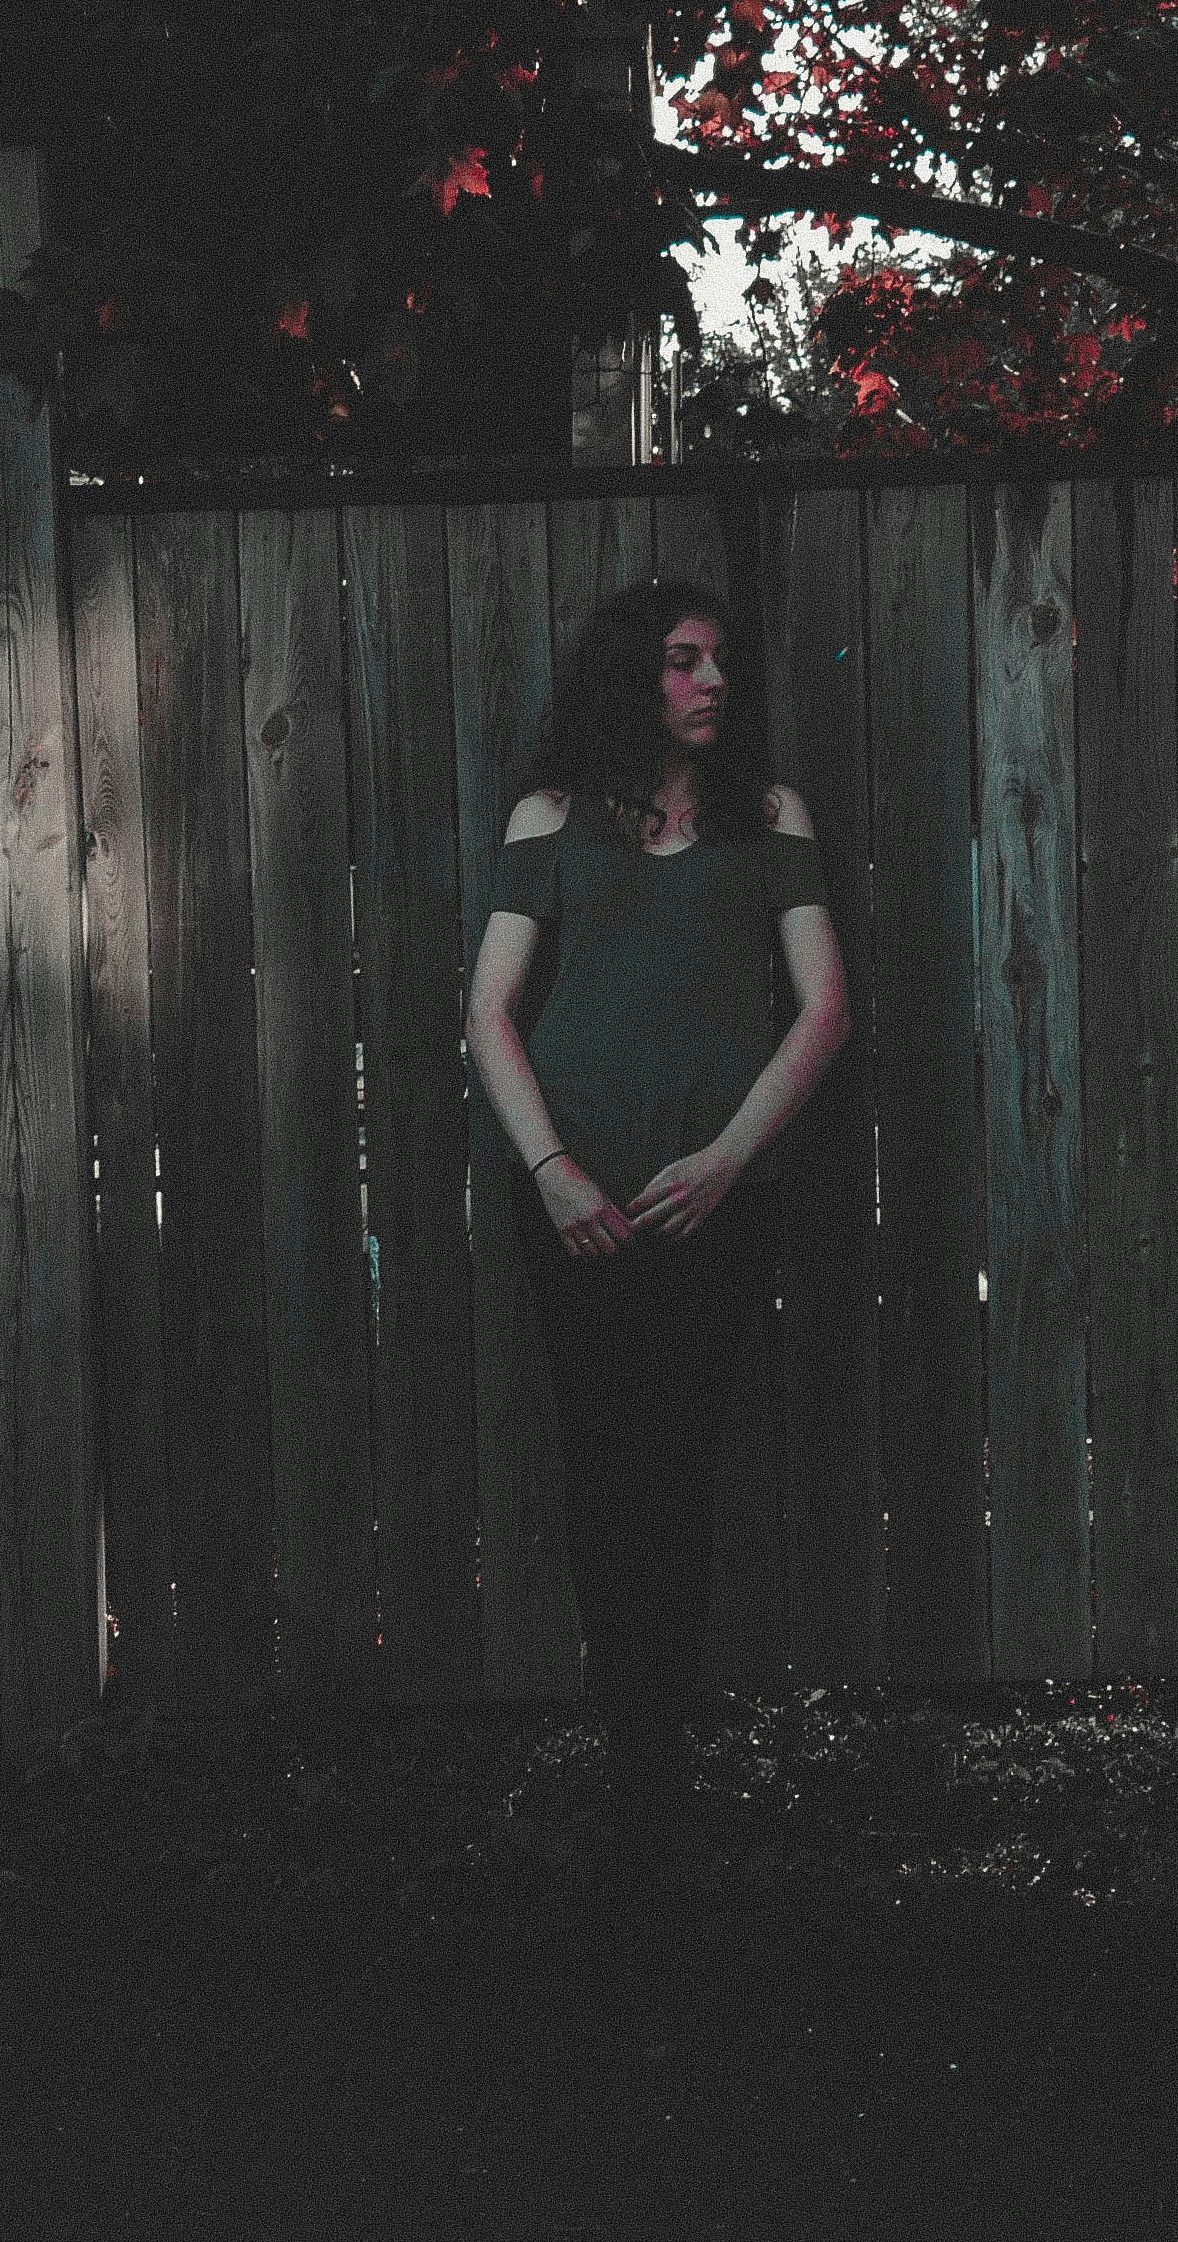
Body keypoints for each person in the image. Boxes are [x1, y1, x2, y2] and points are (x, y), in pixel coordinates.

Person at [462, 579, 847, 1901]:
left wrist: (730, 1160)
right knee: (600, 1472)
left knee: (679, 1474)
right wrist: (554, 1173)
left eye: (720, 661)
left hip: (709, 1209)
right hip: (579, 1216)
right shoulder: (551, 821)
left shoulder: (768, 819)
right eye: (684, 662)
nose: (713, 682)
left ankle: (654, 1772)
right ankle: (632, 1760)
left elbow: (824, 1008)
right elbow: (490, 1014)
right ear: (632, 678)